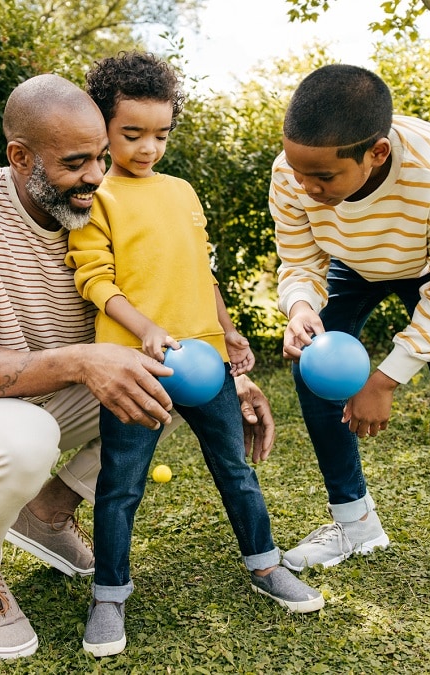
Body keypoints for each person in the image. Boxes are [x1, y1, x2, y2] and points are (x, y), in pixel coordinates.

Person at [0, 73, 278, 661]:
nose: (97, 176)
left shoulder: (100, 205)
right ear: (20, 157)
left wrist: (230, 374)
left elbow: (177, 299)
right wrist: (85, 360)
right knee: (26, 438)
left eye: (99, 156)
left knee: (158, 391)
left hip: (51, 391)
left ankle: (47, 512)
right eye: (75, 163)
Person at [65, 51, 324, 658]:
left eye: (161, 134)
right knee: (121, 484)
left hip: (205, 359)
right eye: (132, 134)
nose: (148, 147)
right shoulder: (95, 194)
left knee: (234, 468)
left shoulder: (182, 190)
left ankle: (264, 564)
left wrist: (228, 332)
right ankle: (109, 595)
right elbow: (94, 280)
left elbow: (200, 273)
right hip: (137, 363)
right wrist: (146, 327)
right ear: (101, 126)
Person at [270, 64, 430, 615]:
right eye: (297, 170)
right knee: (312, 369)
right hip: (353, 265)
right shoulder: (295, 170)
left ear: (376, 153)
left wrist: (383, 380)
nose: (306, 186)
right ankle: (355, 524)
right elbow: (299, 256)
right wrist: (301, 306)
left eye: (324, 178)